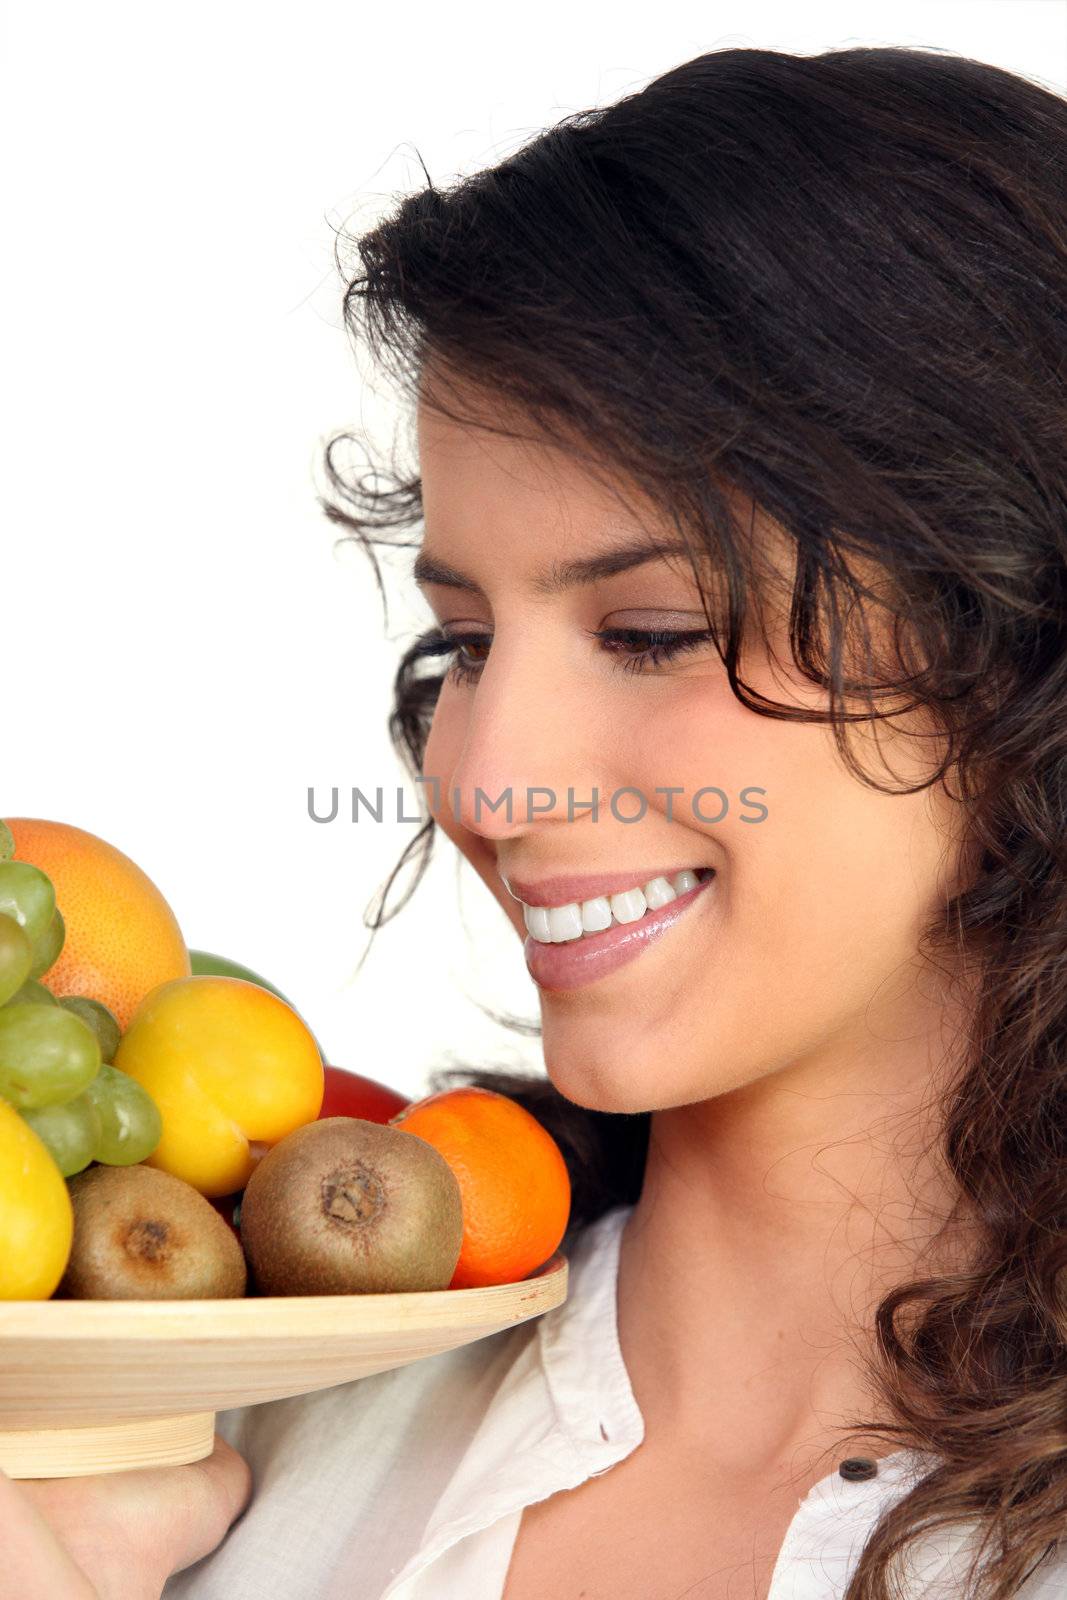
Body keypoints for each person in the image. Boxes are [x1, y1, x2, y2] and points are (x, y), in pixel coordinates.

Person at [6, 41, 1067, 1600]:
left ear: (1016, 639)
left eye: (649, 634)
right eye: (467, 643)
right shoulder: (192, 1439)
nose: (488, 783)